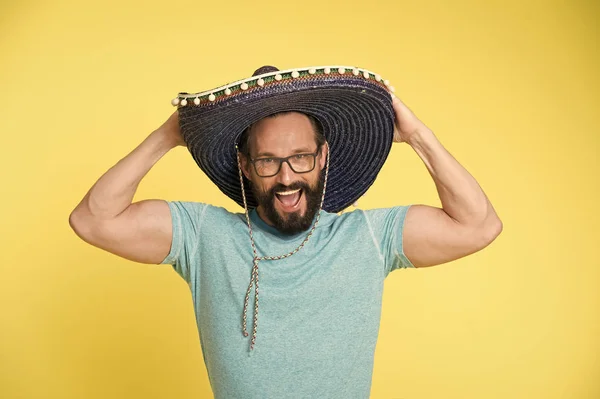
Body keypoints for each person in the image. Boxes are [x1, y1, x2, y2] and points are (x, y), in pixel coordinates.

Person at [69, 65, 502, 398]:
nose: (286, 177)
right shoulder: (203, 236)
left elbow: (479, 226)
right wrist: (167, 136)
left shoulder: (368, 236)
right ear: (245, 166)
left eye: (300, 157)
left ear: (323, 157)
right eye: (268, 161)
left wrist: (418, 136)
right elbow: (93, 219)